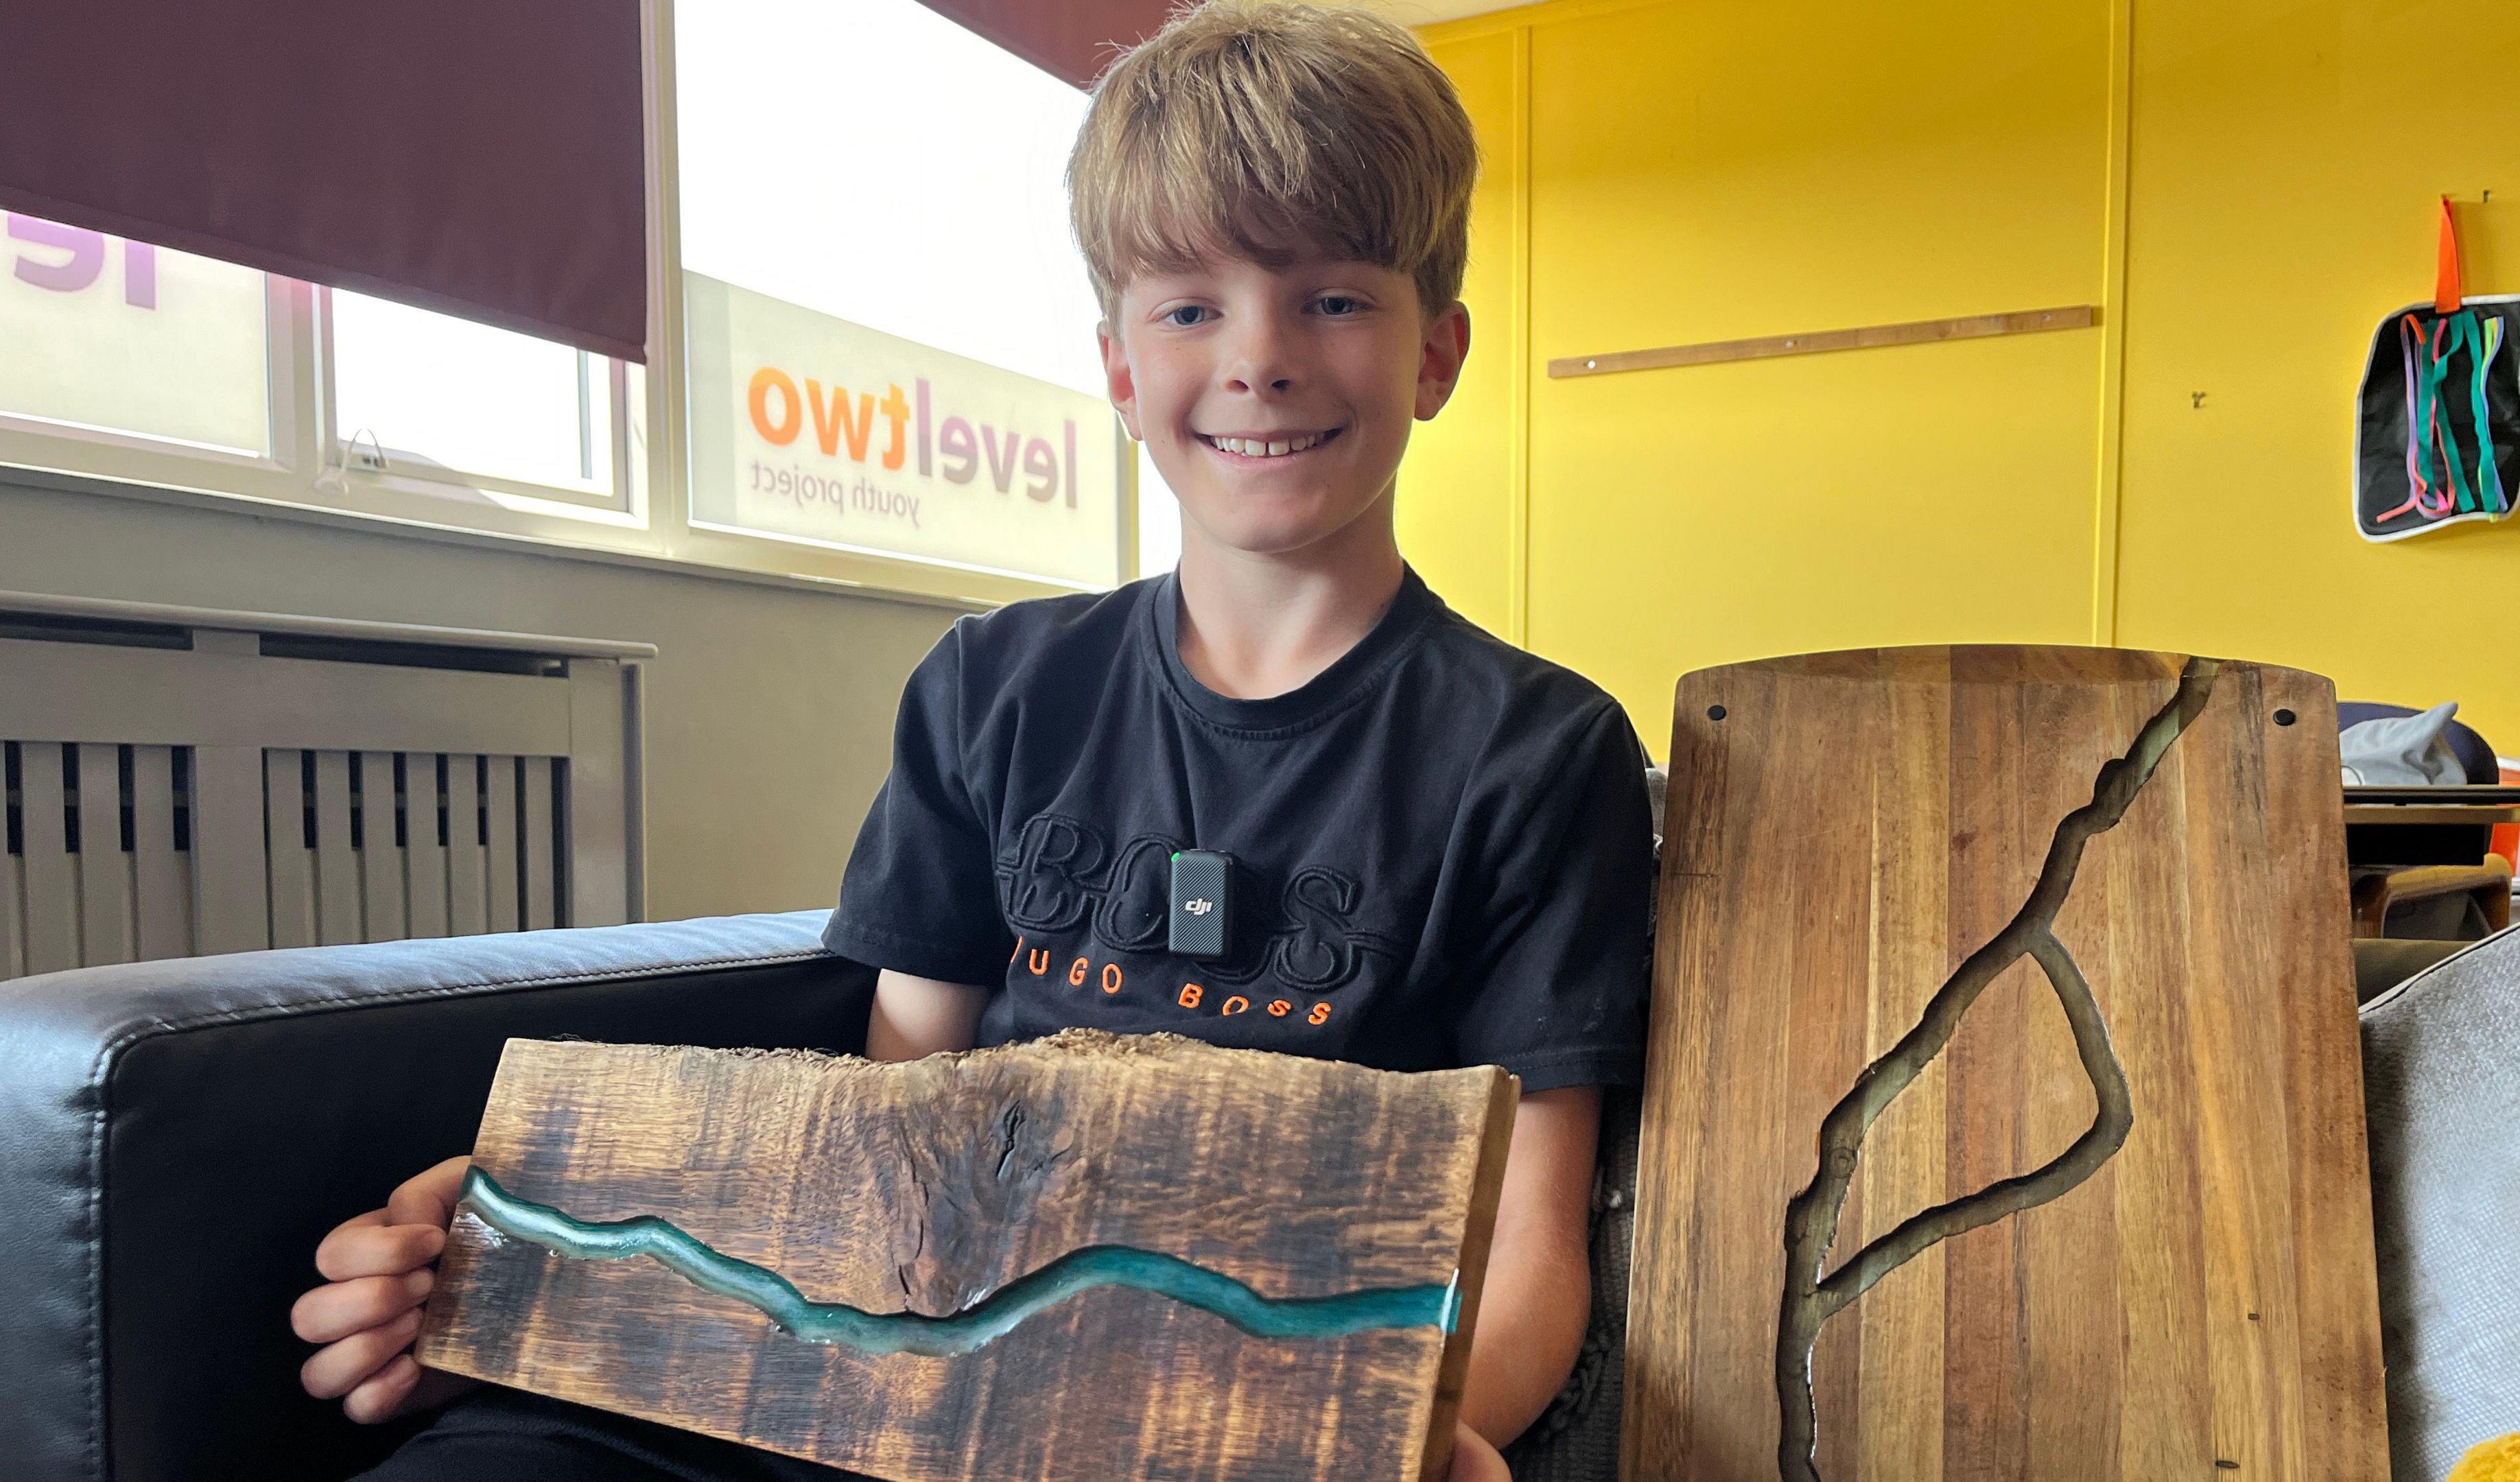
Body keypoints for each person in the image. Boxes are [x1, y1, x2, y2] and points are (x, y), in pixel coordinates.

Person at [289, 5, 1653, 1479]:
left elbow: (1532, 1245)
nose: (1258, 359)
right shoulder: (994, 687)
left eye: (1331, 300)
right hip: (910, 1383)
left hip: (1236, 1426)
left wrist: (1427, 1437)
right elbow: (887, 1127)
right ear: (1122, 373)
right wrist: (527, 1243)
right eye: (1190, 308)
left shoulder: (1540, 748)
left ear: (1436, 352)